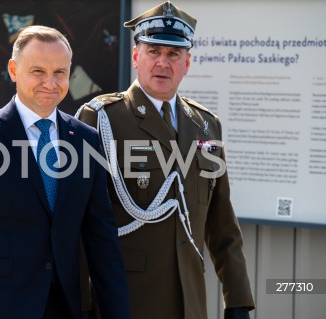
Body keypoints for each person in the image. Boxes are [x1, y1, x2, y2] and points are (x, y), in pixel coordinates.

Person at [0, 25, 130, 319]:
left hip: (65, 308)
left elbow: (102, 240)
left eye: (60, 72)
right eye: (38, 71)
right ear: (14, 70)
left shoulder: (87, 140)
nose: (50, 83)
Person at [77, 2, 255, 319]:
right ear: (136, 58)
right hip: (124, 302)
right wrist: (83, 305)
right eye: (153, 51)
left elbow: (222, 224)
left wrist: (238, 300)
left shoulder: (205, 124)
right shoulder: (103, 118)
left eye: (173, 54)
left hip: (190, 303)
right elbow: (77, 222)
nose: (163, 62)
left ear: (187, 63)